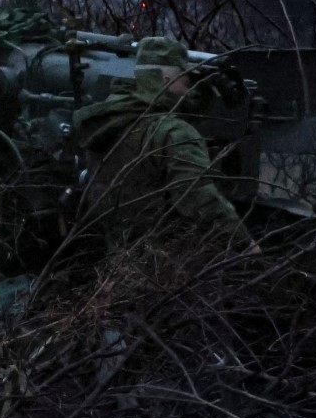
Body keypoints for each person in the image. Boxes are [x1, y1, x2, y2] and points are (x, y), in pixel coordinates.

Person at [70, 36, 256, 254]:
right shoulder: (173, 132)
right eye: (184, 78)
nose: (189, 85)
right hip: (165, 262)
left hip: (117, 258)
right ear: (167, 79)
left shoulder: (109, 119)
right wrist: (245, 242)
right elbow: (197, 198)